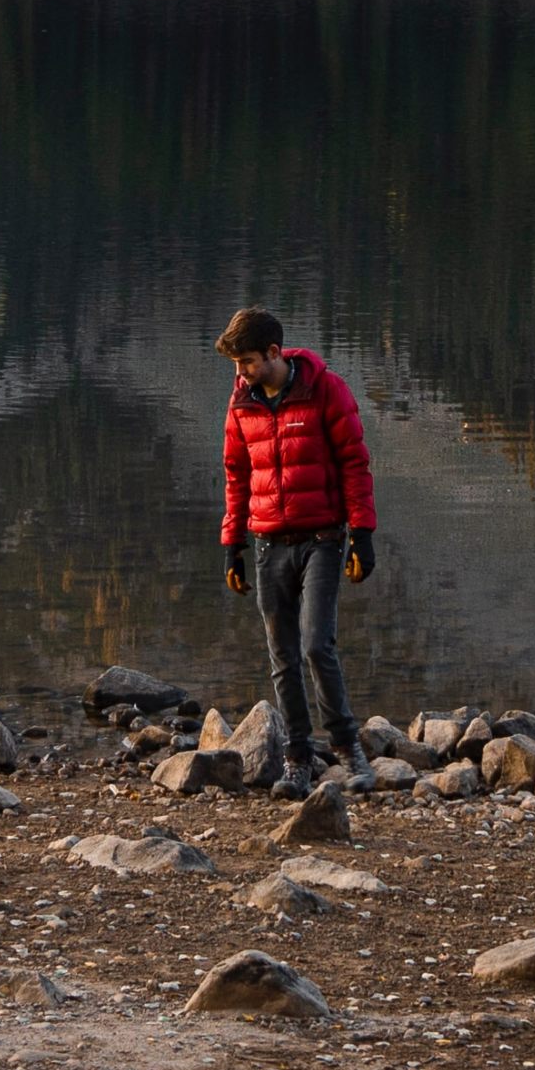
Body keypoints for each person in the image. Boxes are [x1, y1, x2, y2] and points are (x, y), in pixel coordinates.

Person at [215, 306, 374, 796]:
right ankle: (298, 759)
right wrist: (232, 545)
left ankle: (348, 748)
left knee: (314, 645)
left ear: (274, 353)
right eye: (237, 364)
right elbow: (236, 474)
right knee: (282, 655)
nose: (240, 372)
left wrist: (362, 534)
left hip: (323, 539)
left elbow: (354, 462)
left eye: (246, 361)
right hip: (267, 544)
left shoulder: (325, 389)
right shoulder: (241, 401)